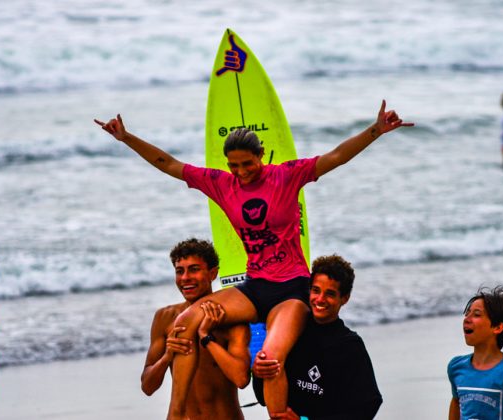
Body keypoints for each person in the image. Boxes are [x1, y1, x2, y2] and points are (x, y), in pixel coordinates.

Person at [95, 100, 412, 419]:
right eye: (234, 165)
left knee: (270, 358)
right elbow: (169, 164)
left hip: (291, 289)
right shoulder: (221, 184)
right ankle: (175, 416)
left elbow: (336, 156)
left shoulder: (286, 176)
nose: (242, 172)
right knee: (184, 323)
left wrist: (376, 130)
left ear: (260, 155)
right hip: (255, 286)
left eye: (247, 164)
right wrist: (126, 137)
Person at [252, 254, 382, 420]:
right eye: (315, 290)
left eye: (330, 294)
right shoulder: (292, 334)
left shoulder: (349, 345)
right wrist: (258, 373)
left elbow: (368, 405)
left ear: (344, 298)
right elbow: (262, 398)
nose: (320, 299)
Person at [141, 238, 251, 419]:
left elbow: (241, 379)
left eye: (194, 269)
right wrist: (167, 357)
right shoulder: (165, 318)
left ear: (212, 273)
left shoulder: (230, 319)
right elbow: (147, 386)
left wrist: (206, 337)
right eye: (179, 271)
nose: (185, 278)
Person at [447, 285, 503, 420]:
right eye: (467, 313)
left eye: (476, 314)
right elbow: (456, 402)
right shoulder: (456, 366)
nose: (467, 319)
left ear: (498, 327)